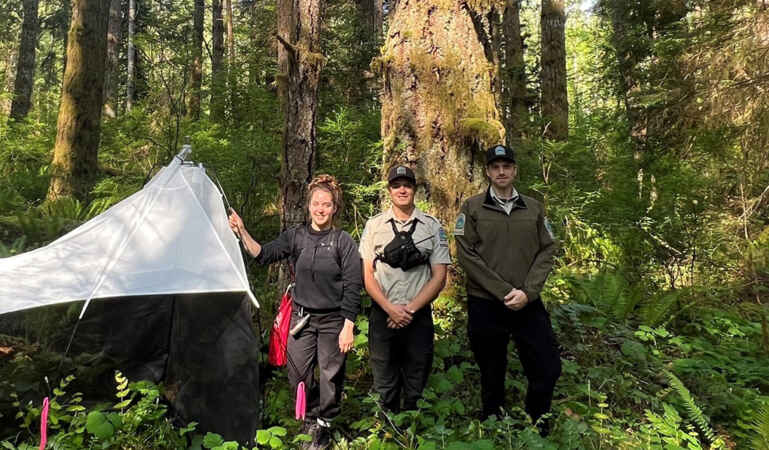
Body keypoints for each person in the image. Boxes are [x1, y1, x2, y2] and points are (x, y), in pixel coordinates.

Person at [228, 174, 362, 448]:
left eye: (326, 204)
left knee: (330, 374)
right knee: (297, 373)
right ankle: (310, 417)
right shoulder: (296, 237)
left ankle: (324, 425)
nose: (321, 209)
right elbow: (264, 254)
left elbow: (353, 285)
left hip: (334, 320)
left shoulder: (343, 241)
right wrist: (241, 230)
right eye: (316, 203)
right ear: (308, 205)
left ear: (334, 207)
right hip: (302, 318)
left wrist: (348, 325)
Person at [453, 144, 561, 431]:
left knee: (547, 366)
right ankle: (492, 424)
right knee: (491, 369)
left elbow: (548, 249)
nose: (501, 171)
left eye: (507, 166)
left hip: (527, 302)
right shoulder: (472, 207)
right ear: (488, 172)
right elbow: (466, 254)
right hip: (486, 303)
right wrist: (502, 291)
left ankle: (538, 423)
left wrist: (528, 291)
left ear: (514, 170)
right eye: (495, 167)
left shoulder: (534, 208)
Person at [359, 164, 450, 413]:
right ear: (389, 190)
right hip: (382, 315)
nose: (402, 190)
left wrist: (408, 310)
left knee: (416, 381)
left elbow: (439, 274)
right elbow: (367, 274)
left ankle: (413, 433)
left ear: (415, 190)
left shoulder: (432, 226)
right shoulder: (374, 225)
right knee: (385, 383)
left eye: (407, 185)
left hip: (417, 316)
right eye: (397, 185)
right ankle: (388, 432)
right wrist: (390, 309)